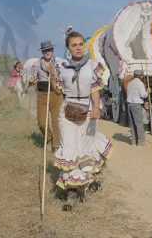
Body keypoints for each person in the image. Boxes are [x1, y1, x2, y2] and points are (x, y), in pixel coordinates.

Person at [54, 30, 112, 202]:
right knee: (69, 146)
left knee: (86, 146)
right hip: (67, 112)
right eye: (74, 45)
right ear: (68, 48)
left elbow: (95, 89)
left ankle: (85, 182)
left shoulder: (93, 66)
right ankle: (72, 186)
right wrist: (51, 75)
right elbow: (58, 90)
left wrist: (96, 108)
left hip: (87, 110)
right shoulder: (62, 68)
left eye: (81, 44)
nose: (78, 48)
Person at [35, 40, 65, 152]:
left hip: (56, 94)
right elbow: (33, 77)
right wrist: (32, 80)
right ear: (42, 52)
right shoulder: (37, 64)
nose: (47, 52)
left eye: (49, 50)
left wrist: (55, 75)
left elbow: (64, 78)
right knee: (41, 122)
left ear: (52, 50)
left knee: (56, 121)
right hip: (42, 95)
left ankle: (56, 145)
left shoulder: (59, 63)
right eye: (45, 50)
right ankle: (49, 137)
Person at [126, 70, 150, 146]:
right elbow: (143, 95)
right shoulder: (140, 84)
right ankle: (141, 142)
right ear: (140, 76)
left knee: (132, 124)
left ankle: (133, 141)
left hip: (129, 104)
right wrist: (148, 92)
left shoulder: (130, 83)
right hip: (136, 105)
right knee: (139, 124)